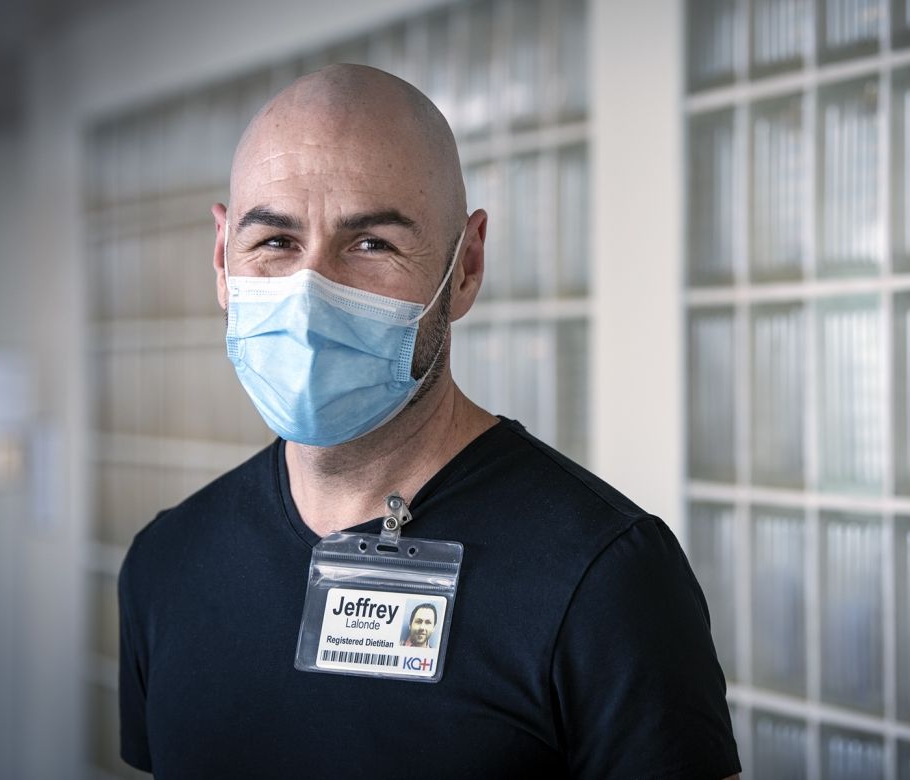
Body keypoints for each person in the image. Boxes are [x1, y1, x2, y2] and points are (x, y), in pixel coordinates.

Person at [118, 63, 741, 778]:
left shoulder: (606, 580)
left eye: (371, 244)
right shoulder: (166, 564)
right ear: (223, 259)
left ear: (467, 265)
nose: (310, 296)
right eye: (276, 242)